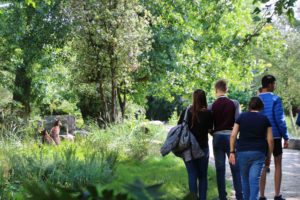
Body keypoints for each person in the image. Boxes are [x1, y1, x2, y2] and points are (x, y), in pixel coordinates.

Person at [229, 97, 274, 200]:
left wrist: (232, 151)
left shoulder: (241, 117)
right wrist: (269, 156)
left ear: (249, 106)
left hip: (242, 152)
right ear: (261, 107)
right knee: (254, 181)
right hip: (258, 153)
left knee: (244, 181)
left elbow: (233, 135)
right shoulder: (265, 119)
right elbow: (270, 140)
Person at [209, 79, 243, 200]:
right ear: (226, 89)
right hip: (231, 138)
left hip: (217, 137)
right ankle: (240, 196)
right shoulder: (234, 103)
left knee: (220, 169)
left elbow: (209, 125)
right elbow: (239, 121)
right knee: (235, 168)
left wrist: (213, 133)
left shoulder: (211, 106)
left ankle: (222, 197)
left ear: (216, 90)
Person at [177, 89, 213, 200]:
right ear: (204, 99)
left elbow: (179, 127)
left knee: (192, 175)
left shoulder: (186, 111)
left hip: (187, 149)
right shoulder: (208, 113)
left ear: (193, 98)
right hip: (203, 149)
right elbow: (210, 129)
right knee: (202, 176)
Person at [258, 75, 289, 200]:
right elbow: (280, 120)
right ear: (270, 84)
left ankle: (262, 196)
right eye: (274, 84)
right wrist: (286, 136)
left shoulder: (256, 99)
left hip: (260, 136)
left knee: (262, 166)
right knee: (277, 164)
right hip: (275, 136)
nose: (275, 86)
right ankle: (277, 195)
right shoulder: (276, 99)